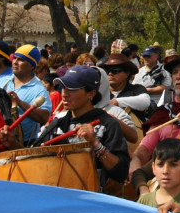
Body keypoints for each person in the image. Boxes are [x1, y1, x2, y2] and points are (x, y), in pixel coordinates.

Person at [23, 64, 130, 196]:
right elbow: (33, 156)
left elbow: (121, 172)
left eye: (72, 89)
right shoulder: (57, 123)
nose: (64, 93)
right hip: (58, 196)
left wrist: (96, 145)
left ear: (91, 93)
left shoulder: (108, 123)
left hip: (93, 200)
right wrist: (10, 142)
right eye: (63, 87)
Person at [2, 45, 52, 143]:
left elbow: (44, 118)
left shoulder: (39, 90)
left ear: (32, 66)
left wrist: (19, 102)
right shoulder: (3, 82)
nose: (15, 62)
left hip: (24, 144)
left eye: (20, 60)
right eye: (14, 58)